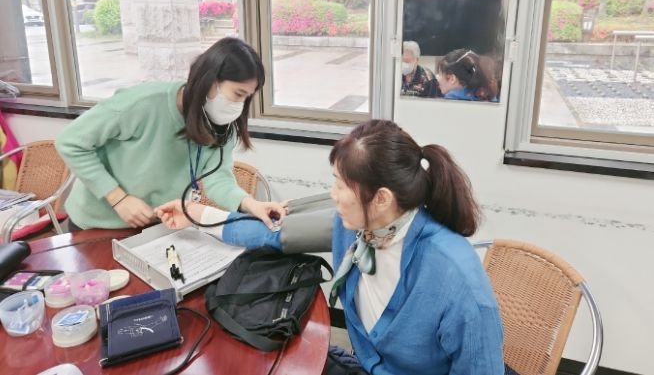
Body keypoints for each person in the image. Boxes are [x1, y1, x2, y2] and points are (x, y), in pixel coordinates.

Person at [156, 119, 507, 375]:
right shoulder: (355, 227)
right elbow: (273, 233)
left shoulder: (455, 279)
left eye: (340, 185)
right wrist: (197, 215)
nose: (332, 195)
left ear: (381, 199)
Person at [55, 37, 287, 231]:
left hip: (154, 225)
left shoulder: (221, 124)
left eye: (247, 97)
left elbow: (218, 179)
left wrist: (251, 204)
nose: (240, 105)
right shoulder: (142, 103)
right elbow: (70, 142)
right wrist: (119, 199)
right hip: (96, 225)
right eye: (237, 94)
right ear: (209, 81)